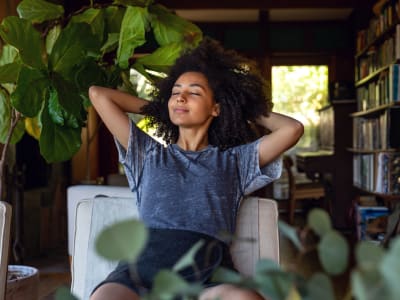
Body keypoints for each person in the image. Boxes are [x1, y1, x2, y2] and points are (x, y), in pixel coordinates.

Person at [89, 38, 304, 300]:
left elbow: (292, 129)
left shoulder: (235, 162)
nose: (180, 96)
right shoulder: (147, 153)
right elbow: (98, 95)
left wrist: (239, 107)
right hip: (140, 273)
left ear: (216, 108)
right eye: (175, 91)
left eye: (194, 92)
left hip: (207, 277)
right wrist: (161, 108)